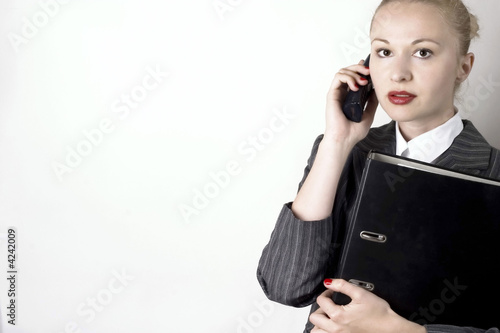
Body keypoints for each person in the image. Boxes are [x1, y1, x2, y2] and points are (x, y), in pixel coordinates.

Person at [256, 0, 500, 332]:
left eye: (423, 52)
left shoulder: (493, 171)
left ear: (463, 66)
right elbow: (285, 286)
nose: (398, 73)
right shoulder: (341, 151)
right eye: (384, 52)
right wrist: (337, 143)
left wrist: (396, 329)